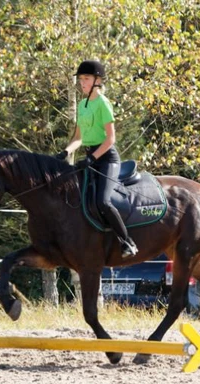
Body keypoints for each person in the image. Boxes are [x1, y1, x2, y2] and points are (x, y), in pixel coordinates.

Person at [56, 60, 138, 258]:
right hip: (90, 158)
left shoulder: (103, 103)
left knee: (102, 201)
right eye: (81, 79)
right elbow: (78, 138)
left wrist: (92, 158)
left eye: (86, 79)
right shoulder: (83, 105)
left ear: (97, 80)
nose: (82, 83)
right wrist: (65, 152)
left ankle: (127, 242)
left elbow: (111, 139)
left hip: (107, 159)